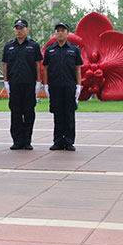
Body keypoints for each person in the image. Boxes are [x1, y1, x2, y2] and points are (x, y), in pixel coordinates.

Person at [2, 19, 43, 150]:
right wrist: (5, 81)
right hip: (14, 84)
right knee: (15, 113)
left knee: (29, 112)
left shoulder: (33, 45)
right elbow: (5, 65)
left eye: (21, 28)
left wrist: (38, 82)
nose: (18, 31)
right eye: (16, 28)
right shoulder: (9, 46)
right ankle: (17, 141)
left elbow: (38, 64)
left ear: (27, 30)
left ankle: (27, 141)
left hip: (29, 84)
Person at [43, 22, 83, 151]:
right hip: (55, 86)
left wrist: (78, 86)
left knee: (69, 114)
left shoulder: (74, 49)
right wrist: (45, 85)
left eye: (62, 30)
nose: (60, 33)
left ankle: (69, 141)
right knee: (57, 114)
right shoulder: (50, 49)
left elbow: (78, 69)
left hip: (69, 86)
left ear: (67, 33)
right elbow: (45, 68)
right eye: (57, 30)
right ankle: (58, 141)